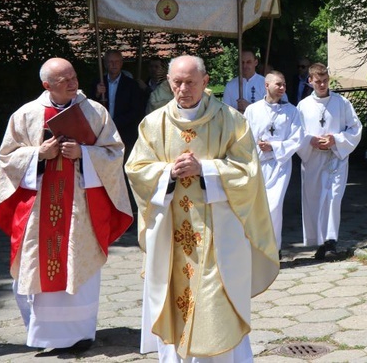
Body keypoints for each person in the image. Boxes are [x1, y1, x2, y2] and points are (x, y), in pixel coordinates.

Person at [125, 55, 279, 362]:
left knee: (215, 301)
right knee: (175, 298)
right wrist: (166, 173)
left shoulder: (231, 121)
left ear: (205, 82)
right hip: (172, 235)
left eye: (190, 82)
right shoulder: (154, 124)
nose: (183, 89)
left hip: (217, 236)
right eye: (177, 82)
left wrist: (205, 169)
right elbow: (136, 169)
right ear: (169, 83)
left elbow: (249, 173)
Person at [0, 57, 133, 354]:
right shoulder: (26, 115)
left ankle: (82, 334)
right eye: (63, 80)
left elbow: (115, 153)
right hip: (40, 206)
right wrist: (37, 155)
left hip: (81, 207)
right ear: (46, 85)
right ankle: (45, 336)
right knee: (38, 267)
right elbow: (7, 159)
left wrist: (83, 153)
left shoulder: (95, 112)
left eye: (73, 76)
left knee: (79, 263)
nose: (72, 83)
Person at [297, 63, 362, 260]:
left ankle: (331, 241)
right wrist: (311, 141)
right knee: (315, 200)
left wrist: (336, 140)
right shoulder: (303, 106)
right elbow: (297, 133)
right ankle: (320, 242)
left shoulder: (341, 103)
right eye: (318, 81)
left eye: (325, 80)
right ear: (310, 81)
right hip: (313, 159)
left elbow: (355, 128)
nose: (322, 84)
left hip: (335, 158)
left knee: (333, 198)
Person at [244, 70, 304, 253]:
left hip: (279, 165)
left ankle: (273, 249)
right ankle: (256, 248)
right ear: (266, 85)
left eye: (284, 85)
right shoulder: (252, 110)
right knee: (257, 208)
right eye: (278, 84)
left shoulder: (291, 111)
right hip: (257, 165)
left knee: (274, 207)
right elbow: (244, 138)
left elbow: (297, 139)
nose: (282, 88)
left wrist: (274, 146)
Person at [90, 50, 145, 158]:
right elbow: (89, 107)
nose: (114, 64)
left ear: (121, 63)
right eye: (110, 62)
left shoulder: (131, 85)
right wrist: (96, 94)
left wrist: (114, 123)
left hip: (125, 132)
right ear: (105, 64)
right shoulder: (98, 83)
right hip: (102, 132)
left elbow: (135, 111)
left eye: (116, 61)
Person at [222, 49, 266, 113]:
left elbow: (269, 110)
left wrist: (248, 106)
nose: (244, 66)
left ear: (255, 62)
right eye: (242, 62)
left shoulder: (265, 83)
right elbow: (225, 111)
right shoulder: (230, 85)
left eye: (248, 62)